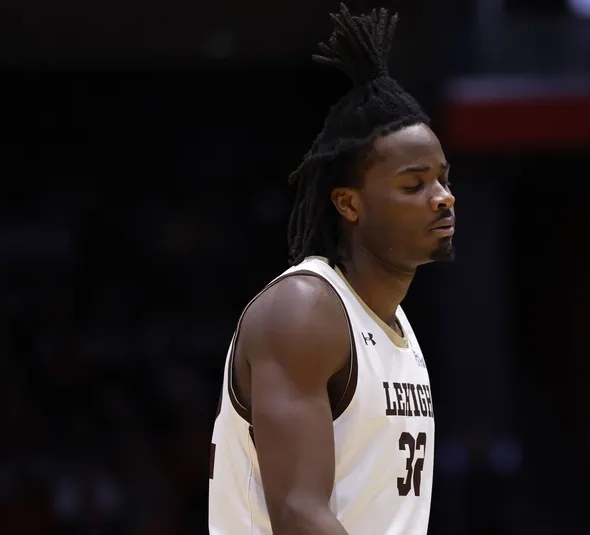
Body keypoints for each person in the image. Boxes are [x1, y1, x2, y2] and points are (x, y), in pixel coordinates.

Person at [207, 4, 456, 534]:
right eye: (415, 185)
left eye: (443, 180)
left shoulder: (396, 326)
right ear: (348, 204)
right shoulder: (305, 311)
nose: (442, 199)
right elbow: (300, 514)